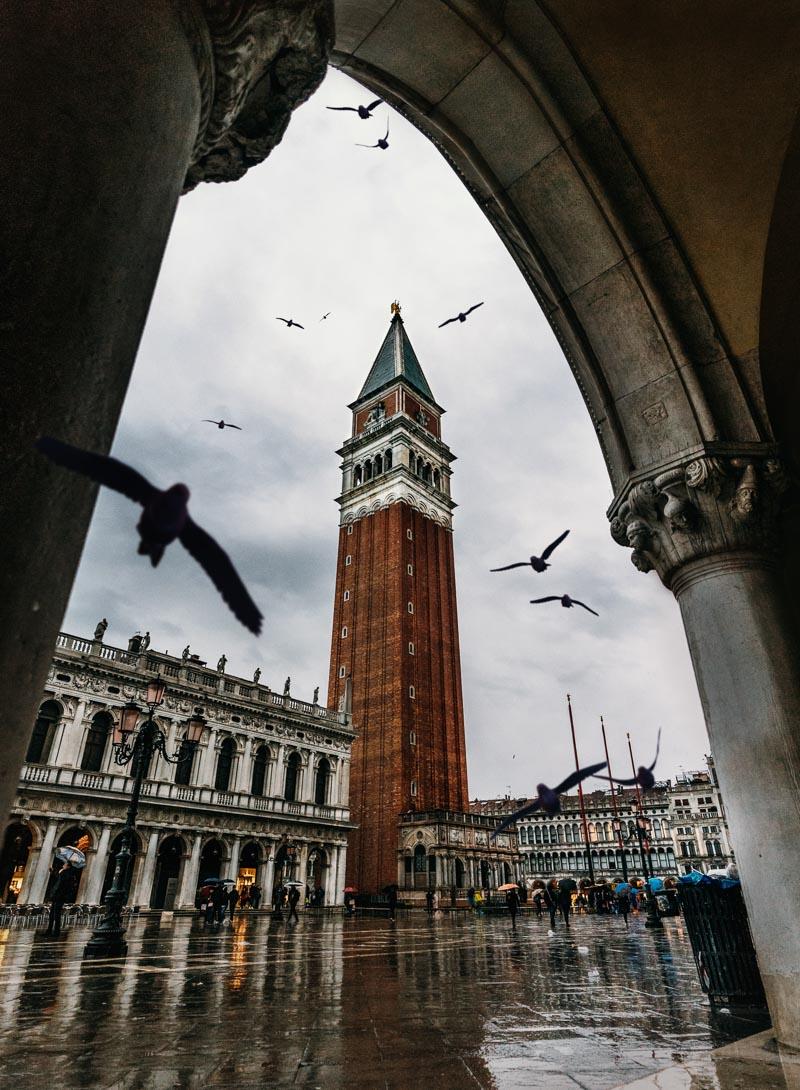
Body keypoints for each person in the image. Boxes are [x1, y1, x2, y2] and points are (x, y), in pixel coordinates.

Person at [45, 862, 77, 937]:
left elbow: (62, 881)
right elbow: (57, 880)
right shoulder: (63, 873)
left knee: (56, 915)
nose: (63, 865)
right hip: (56, 896)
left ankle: (56, 932)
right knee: (52, 914)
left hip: (60, 897)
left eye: (65, 865)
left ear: (68, 866)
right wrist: (53, 872)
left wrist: (59, 873)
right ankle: (49, 931)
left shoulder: (68, 874)